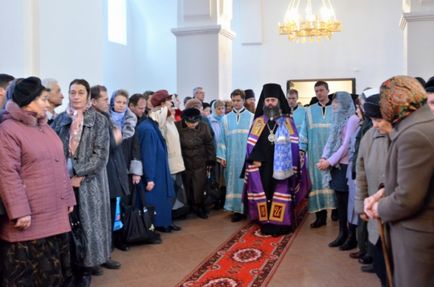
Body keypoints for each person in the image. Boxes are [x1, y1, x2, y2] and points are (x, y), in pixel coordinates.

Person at [0, 76, 76, 286]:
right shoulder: (8, 129)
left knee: (55, 276)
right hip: (29, 220)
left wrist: (68, 197)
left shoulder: (45, 127)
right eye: (43, 98)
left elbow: (60, 165)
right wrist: (19, 210)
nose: (46, 102)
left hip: (55, 215)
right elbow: (7, 173)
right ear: (28, 101)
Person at [364, 76, 434, 287]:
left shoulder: (414, 134)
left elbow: (407, 199)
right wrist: (382, 192)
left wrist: (377, 207)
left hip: (416, 237)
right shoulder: (420, 124)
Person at [52, 79, 112, 284]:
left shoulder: (99, 120)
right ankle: (71, 268)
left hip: (90, 183)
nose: (75, 96)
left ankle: (86, 269)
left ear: (88, 95)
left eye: (80, 92)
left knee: (89, 227)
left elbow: (101, 155)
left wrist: (79, 174)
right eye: (72, 92)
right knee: (68, 228)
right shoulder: (60, 119)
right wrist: (63, 176)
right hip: (62, 182)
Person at [243, 83, 306, 236]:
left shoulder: (287, 121)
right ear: (263, 102)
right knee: (265, 192)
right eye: (267, 100)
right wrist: (255, 159)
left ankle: (281, 223)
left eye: (273, 100)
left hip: (282, 166)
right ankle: (265, 221)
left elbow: (294, 144)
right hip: (262, 165)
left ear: (279, 101)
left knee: (281, 192)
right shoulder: (258, 122)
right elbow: (251, 144)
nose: (270, 103)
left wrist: (291, 163)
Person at [317, 92, 359, 248]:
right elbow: (331, 139)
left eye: (336, 102)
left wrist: (329, 161)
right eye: (333, 102)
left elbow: (347, 145)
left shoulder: (352, 119)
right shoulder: (337, 118)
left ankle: (352, 236)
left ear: (345, 103)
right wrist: (324, 157)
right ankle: (342, 233)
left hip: (346, 165)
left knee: (349, 203)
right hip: (336, 165)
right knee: (339, 202)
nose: (333, 105)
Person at [355, 93, 389, 285]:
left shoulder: (403, 136)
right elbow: (361, 173)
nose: (375, 124)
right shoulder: (369, 137)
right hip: (374, 217)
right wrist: (361, 205)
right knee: (381, 267)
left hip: (397, 219)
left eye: (379, 119)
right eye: (372, 119)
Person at [299, 81, 335, 228]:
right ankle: (320, 216)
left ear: (327, 91)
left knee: (334, 182)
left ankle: (336, 212)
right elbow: (303, 132)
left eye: (321, 90)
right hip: (315, 153)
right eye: (316, 91)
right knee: (317, 183)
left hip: (333, 155)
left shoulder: (336, 109)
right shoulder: (309, 111)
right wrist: (302, 150)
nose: (319, 93)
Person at [148, 89, 186, 226]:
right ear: (162, 103)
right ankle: (167, 220)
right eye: (168, 100)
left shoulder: (169, 119)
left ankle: (171, 218)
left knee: (175, 192)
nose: (172, 104)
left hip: (176, 162)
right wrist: (165, 108)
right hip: (168, 163)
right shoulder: (156, 115)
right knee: (169, 194)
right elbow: (159, 120)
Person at [136, 102, 175, 232]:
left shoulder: (151, 126)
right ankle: (157, 225)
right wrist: (150, 178)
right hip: (155, 173)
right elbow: (148, 155)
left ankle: (163, 223)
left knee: (161, 200)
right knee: (156, 200)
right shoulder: (148, 129)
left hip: (158, 171)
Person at [217, 89, 253, 222]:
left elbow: (254, 139)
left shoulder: (251, 117)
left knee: (246, 182)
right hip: (231, 157)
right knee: (232, 182)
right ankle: (236, 209)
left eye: (238, 100)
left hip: (246, 157)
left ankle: (247, 209)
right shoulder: (225, 119)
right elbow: (222, 139)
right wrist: (222, 156)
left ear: (243, 100)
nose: (236, 103)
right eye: (234, 101)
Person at [176, 108, 215, 219]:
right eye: (189, 123)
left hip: (200, 160)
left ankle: (199, 207)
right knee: (186, 185)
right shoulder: (177, 126)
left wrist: (210, 160)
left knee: (199, 185)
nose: (192, 125)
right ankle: (187, 207)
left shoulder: (204, 126)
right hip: (184, 160)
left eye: (195, 122)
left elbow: (209, 144)